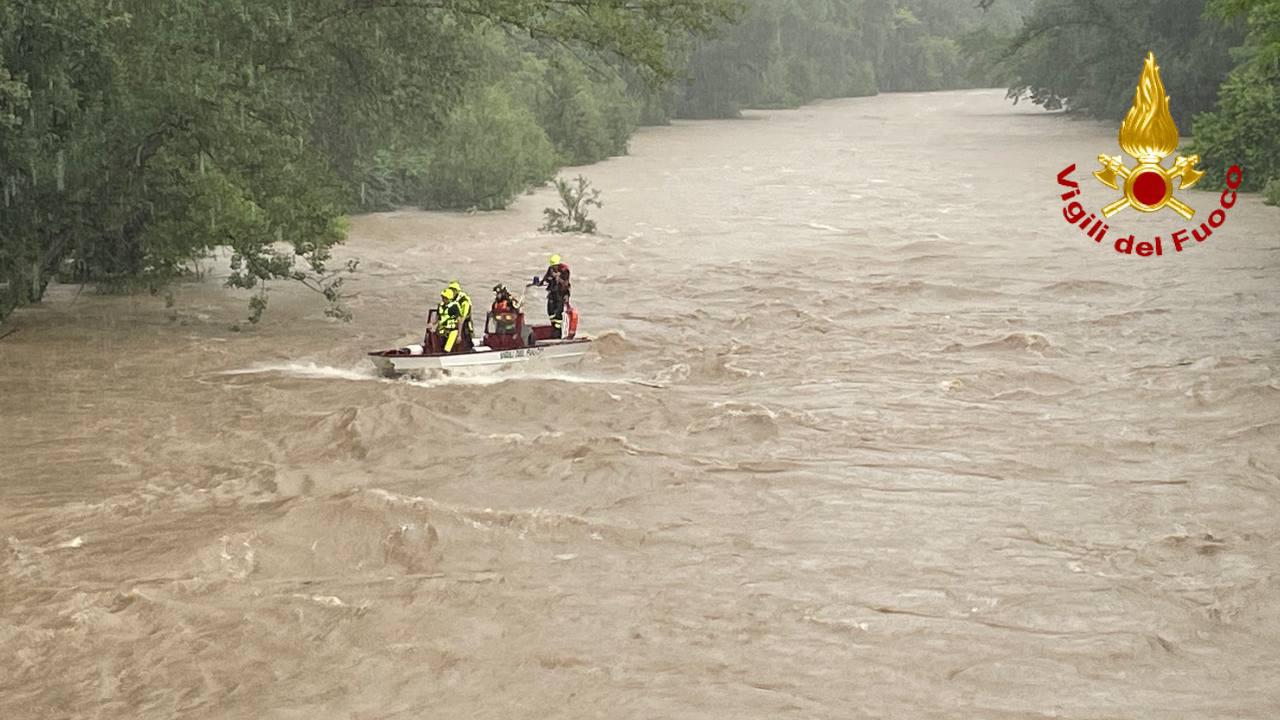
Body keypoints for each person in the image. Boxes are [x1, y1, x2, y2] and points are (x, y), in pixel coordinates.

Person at [532, 254, 571, 338]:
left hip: (561, 294)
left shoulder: (565, 270)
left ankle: (557, 334)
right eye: (553, 266)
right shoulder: (551, 269)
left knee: (558, 315)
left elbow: (566, 284)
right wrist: (540, 283)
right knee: (550, 312)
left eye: (555, 266)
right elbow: (546, 278)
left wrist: (558, 278)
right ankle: (553, 329)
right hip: (552, 293)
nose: (554, 268)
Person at [435, 285, 467, 353]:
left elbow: (459, 321)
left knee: (447, 348)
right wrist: (431, 324)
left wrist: (459, 335)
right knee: (437, 344)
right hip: (443, 329)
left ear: (448, 298)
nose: (443, 299)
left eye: (445, 298)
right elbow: (437, 317)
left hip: (453, 330)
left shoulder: (454, 307)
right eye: (442, 297)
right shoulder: (440, 306)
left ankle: (447, 355)